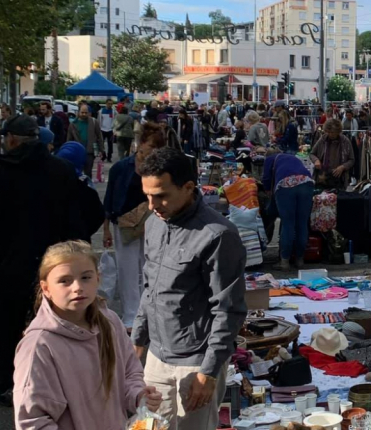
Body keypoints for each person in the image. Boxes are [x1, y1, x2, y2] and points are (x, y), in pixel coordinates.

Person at [0, 114, 91, 406]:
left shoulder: (0, 175)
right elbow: (86, 214)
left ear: (11, 139)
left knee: (9, 324)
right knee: (57, 323)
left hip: (12, 264)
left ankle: (8, 383)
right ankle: (59, 383)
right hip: (56, 264)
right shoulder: (62, 171)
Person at [132, 148, 248, 428]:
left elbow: (229, 310)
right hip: (157, 356)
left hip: (196, 362)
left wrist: (207, 373)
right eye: (147, 195)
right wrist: (137, 342)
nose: (152, 205)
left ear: (188, 188)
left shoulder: (218, 235)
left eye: (160, 195)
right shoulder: (154, 225)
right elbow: (150, 289)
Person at [12, 241, 162, 429]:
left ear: (98, 278)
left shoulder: (110, 321)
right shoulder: (39, 345)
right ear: (46, 288)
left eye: (85, 277)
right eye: (64, 280)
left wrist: (139, 396)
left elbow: (130, 372)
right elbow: (32, 421)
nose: (77, 287)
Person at [102, 123, 166, 328]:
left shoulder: (161, 167)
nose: (152, 152)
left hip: (154, 222)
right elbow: (110, 198)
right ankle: (132, 314)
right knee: (127, 269)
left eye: (157, 148)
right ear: (140, 144)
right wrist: (105, 228)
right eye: (150, 147)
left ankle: (149, 311)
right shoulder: (122, 167)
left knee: (152, 268)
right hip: (126, 223)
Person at [263, 152, 314, 271]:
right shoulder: (293, 157)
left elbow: (266, 178)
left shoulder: (270, 158)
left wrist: (268, 192)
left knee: (288, 223)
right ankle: (300, 260)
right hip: (306, 182)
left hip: (285, 185)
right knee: (302, 223)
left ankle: (284, 261)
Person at [56, 141, 106, 240]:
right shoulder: (84, 185)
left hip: (53, 245)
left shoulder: (49, 181)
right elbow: (98, 215)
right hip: (79, 242)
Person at [310, 118, 355, 190]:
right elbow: (312, 154)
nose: (330, 134)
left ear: (338, 131)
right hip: (322, 177)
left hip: (339, 178)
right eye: (328, 132)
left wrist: (343, 166)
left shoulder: (345, 141)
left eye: (332, 132)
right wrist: (316, 160)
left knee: (338, 199)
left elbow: (351, 159)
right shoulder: (323, 139)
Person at [66, 103, 105, 177]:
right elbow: (69, 139)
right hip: (77, 152)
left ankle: (88, 186)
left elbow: (99, 136)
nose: (84, 114)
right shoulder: (73, 124)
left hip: (89, 152)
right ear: (78, 112)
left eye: (86, 113)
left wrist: (101, 150)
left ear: (89, 113)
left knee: (88, 172)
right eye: (82, 112)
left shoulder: (94, 122)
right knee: (77, 171)